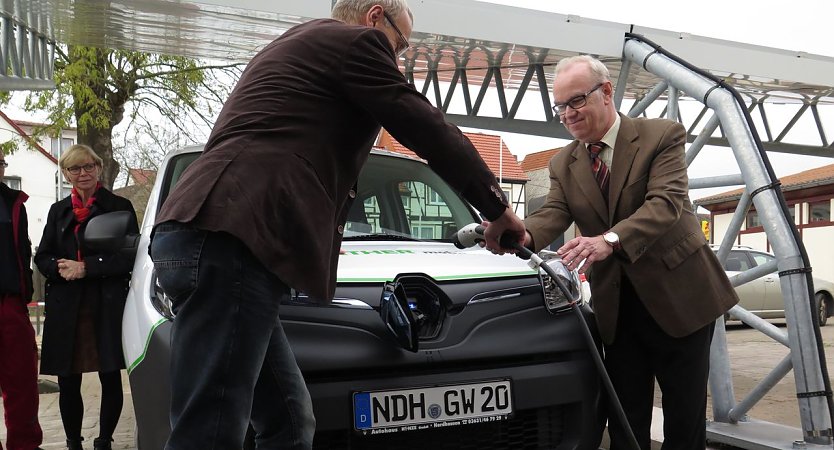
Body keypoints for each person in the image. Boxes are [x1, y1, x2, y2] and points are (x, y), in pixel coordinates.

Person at [148, 0, 526, 448]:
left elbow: (296, 157)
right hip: (230, 240)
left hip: (220, 234)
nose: (398, 57)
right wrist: (497, 208)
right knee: (209, 433)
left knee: (290, 420)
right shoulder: (357, 43)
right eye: (401, 43)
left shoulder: (295, 45)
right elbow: (425, 126)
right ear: (374, 15)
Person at [515, 55, 739, 449]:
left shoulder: (661, 135)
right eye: (560, 107)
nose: (567, 114)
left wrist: (609, 240)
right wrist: (514, 234)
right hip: (617, 308)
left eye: (576, 101)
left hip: (682, 299)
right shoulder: (562, 164)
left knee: (684, 422)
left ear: (605, 93)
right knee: (625, 420)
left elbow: (665, 204)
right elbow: (552, 214)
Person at [35, 145, 139, 450]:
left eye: (88, 167)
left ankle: (104, 440)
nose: (83, 174)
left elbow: (128, 258)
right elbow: (42, 256)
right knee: (68, 378)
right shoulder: (58, 211)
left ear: (99, 168)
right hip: (67, 306)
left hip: (105, 303)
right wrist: (58, 267)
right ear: (66, 174)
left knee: (109, 374)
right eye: (75, 169)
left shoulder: (119, 207)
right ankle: (72, 442)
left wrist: (87, 267)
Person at [0, 155, 43, 450]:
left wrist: (24, 292)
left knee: (22, 382)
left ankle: (24, 445)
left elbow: (22, 250)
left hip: (10, 304)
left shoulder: (14, 203)